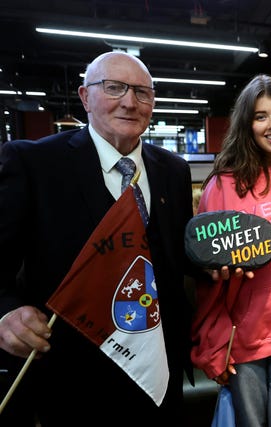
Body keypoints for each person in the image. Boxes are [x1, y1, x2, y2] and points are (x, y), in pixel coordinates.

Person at [0, 51, 194, 425]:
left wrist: (215, 262)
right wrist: (6, 312)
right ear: (84, 97)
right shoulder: (33, 163)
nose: (129, 101)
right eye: (114, 87)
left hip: (160, 369)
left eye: (142, 92)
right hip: (73, 375)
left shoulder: (173, 170)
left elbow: (175, 257)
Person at [190, 74, 271, 427]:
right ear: (247, 123)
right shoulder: (222, 183)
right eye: (261, 116)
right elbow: (205, 269)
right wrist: (211, 338)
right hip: (241, 332)